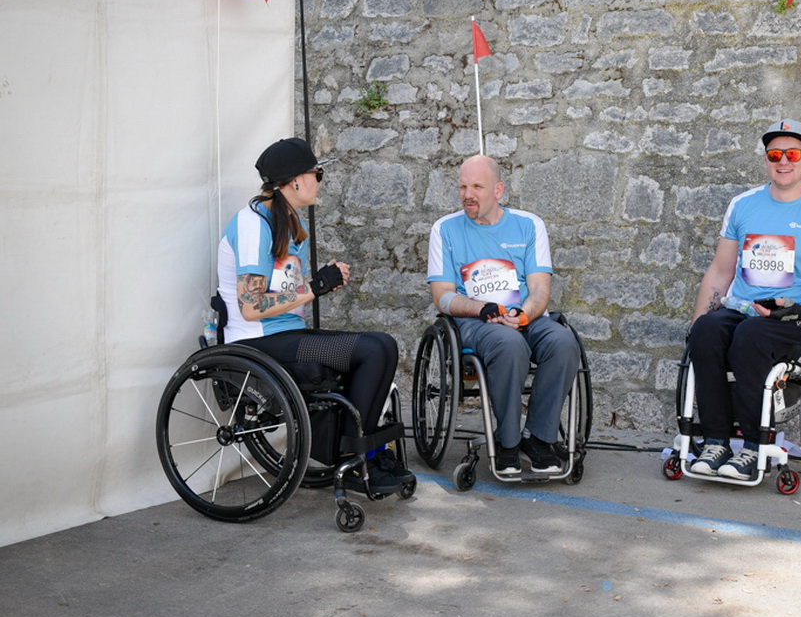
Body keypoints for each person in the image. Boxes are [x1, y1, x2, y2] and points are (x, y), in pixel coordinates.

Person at [217, 137, 414, 494]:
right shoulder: (252, 224)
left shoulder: (291, 225)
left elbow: (287, 292)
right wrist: (316, 286)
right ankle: (353, 457)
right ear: (294, 181)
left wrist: (319, 283)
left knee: (383, 345)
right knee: (371, 350)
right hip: (255, 340)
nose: (320, 181)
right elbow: (250, 306)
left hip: (286, 334)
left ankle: (363, 453)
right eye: (317, 174)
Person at [687, 119, 801, 480]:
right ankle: (716, 441)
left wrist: (798, 310)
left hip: (796, 318)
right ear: (766, 159)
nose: (783, 161)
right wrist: (699, 317)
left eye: (792, 153)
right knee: (706, 332)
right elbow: (720, 270)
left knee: (751, 337)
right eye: (774, 154)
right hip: (742, 308)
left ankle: (751, 446)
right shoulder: (743, 204)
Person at [426, 155, 581, 475]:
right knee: (509, 344)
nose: (468, 194)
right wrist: (480, 308)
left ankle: (538, 437)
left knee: (564, 343)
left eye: (477, 187)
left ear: (498, 190)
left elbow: (540, 289)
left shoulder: (529, 225)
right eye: (463, 186)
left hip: (527, 316)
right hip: (475, 322)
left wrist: (524, 314)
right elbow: (442, 297)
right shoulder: (445, 229)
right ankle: (507, 440)